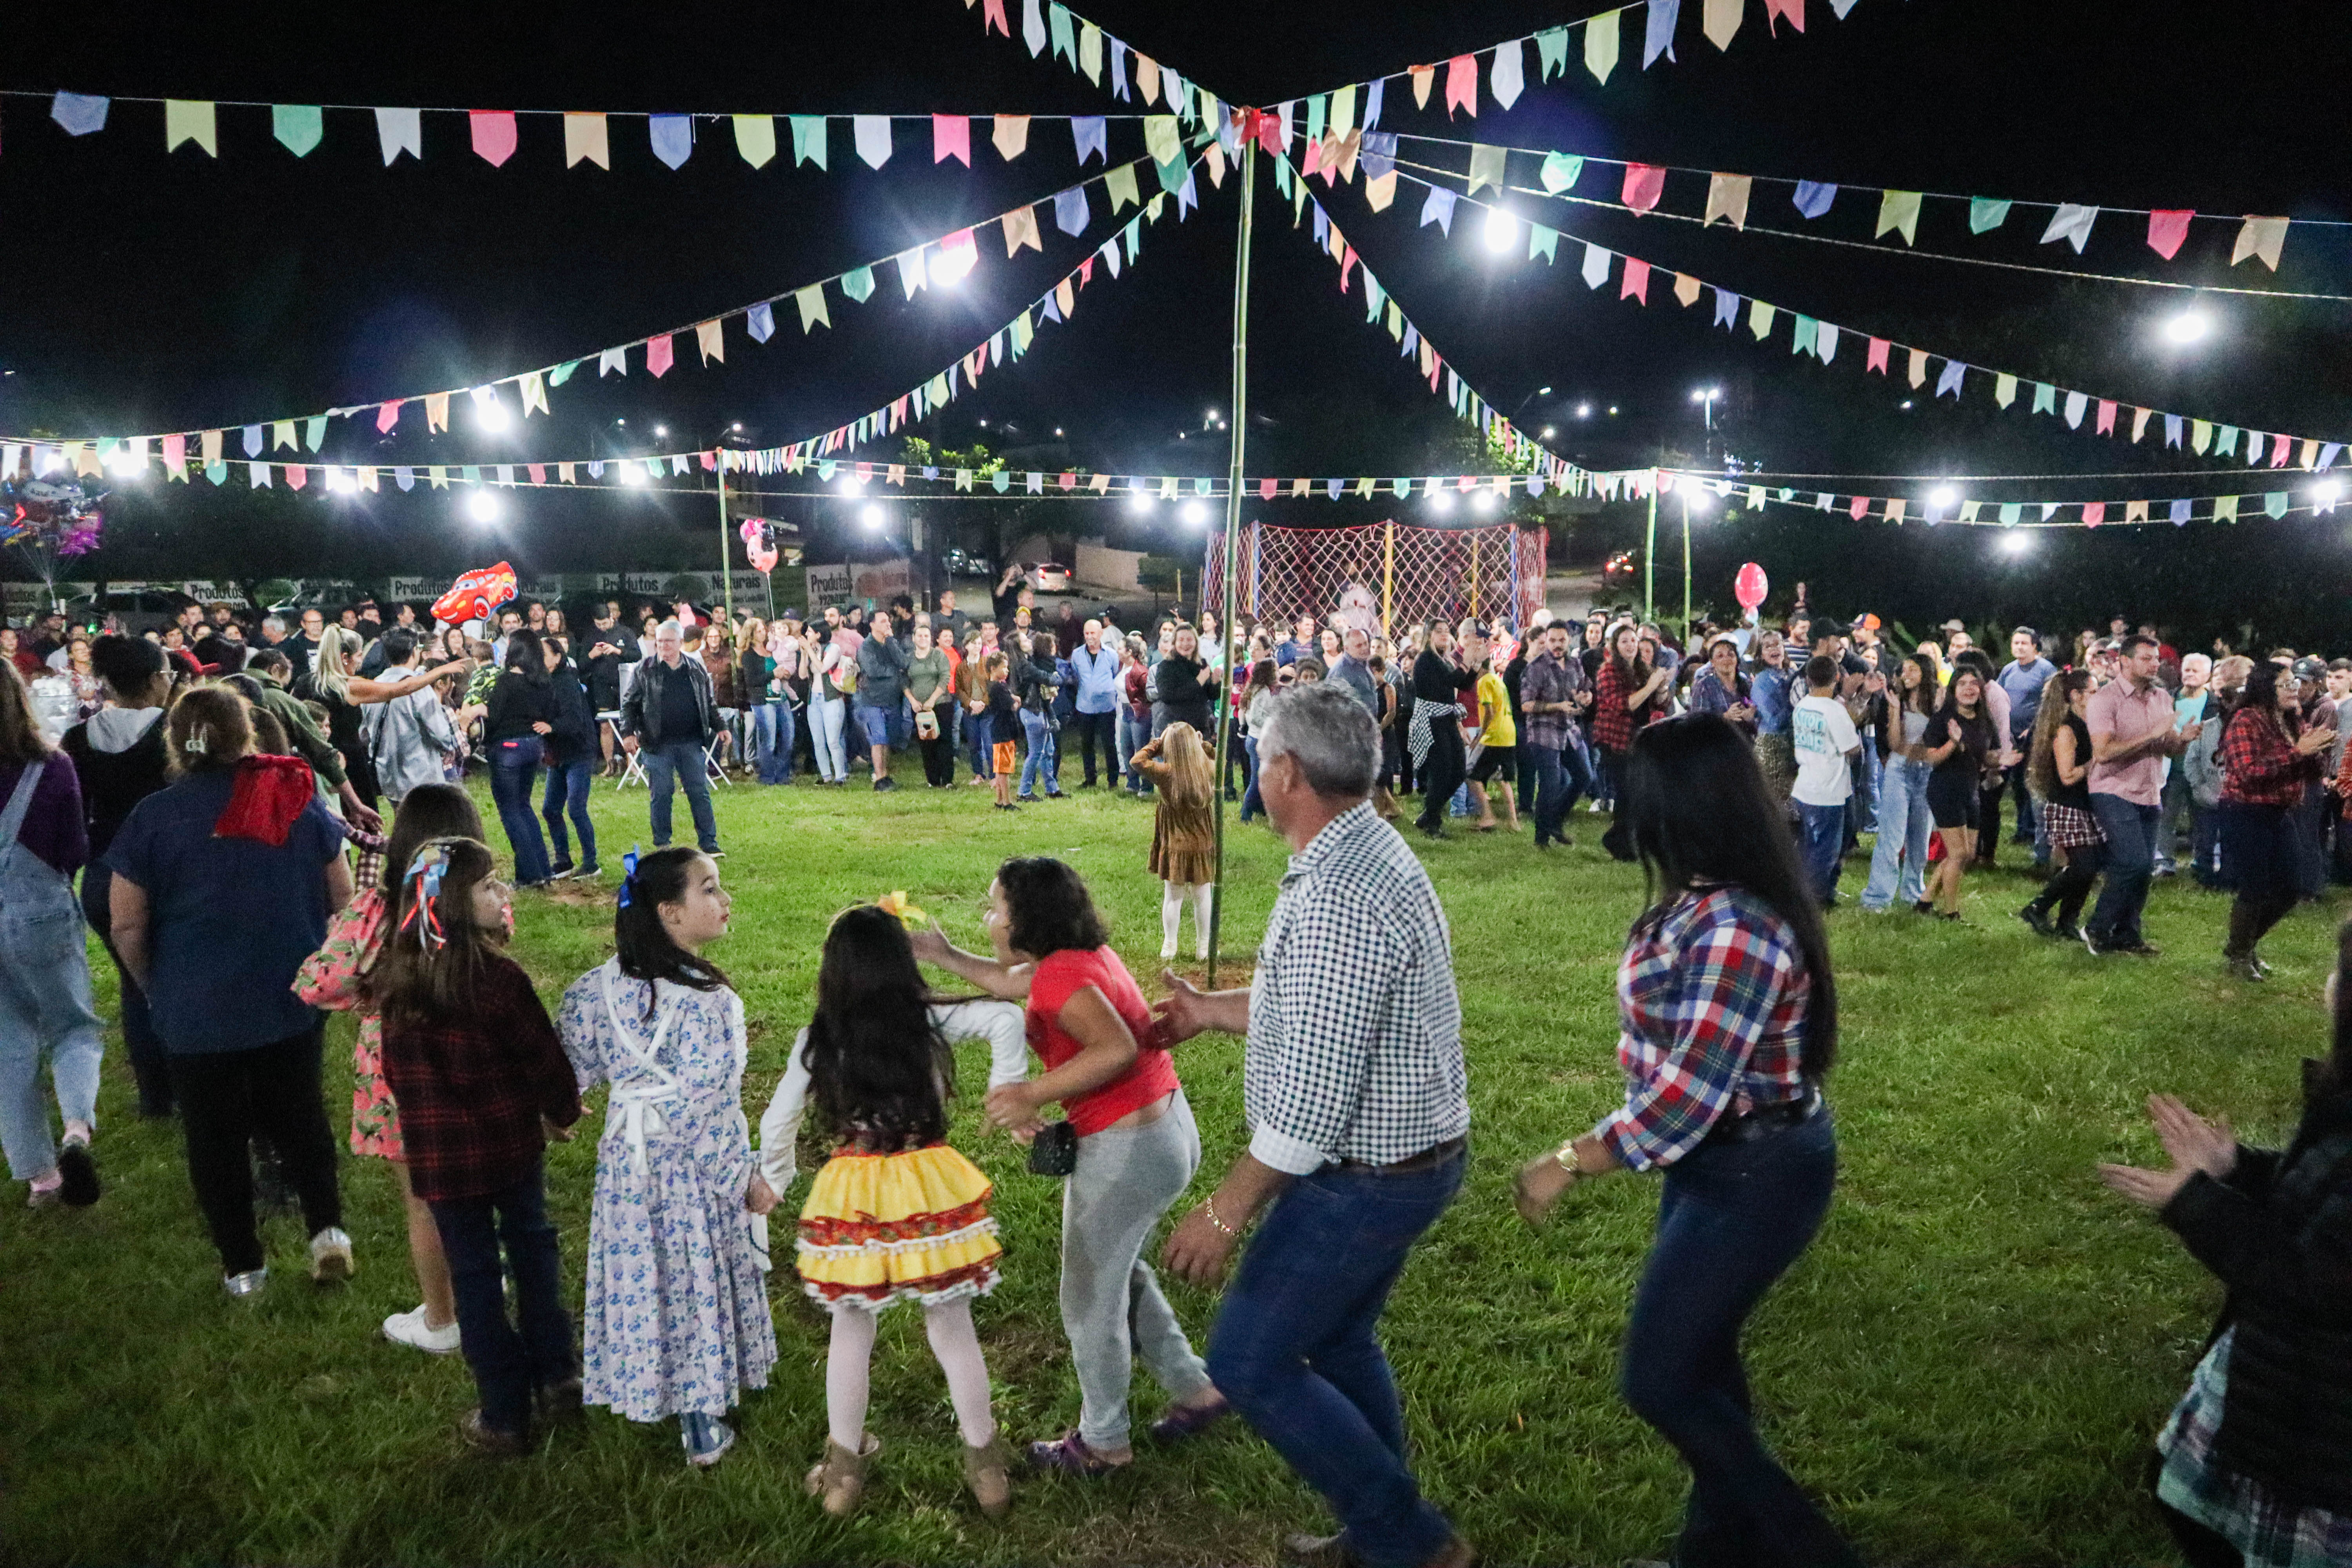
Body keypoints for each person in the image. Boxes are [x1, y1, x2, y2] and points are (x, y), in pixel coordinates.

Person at [1512, 711, 1860, 1568]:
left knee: (1661, 1377)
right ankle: (1717, 1553)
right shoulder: (1711, 895)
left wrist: (1568, 1160)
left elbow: (1689, 1098)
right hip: (1725, 1163)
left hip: (1757, 1167)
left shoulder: (1739, 923)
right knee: (1701, 1362)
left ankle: (1811, 1552)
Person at [1154, 682, 1474, 1568]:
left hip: (1372, 1173)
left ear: (1287, 771)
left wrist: (1223, 1211)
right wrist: (1212, 1010)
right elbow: (1318, 1008)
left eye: (1260, 755)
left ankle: (1412, 1541)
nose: (1256, 771)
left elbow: (1313, 1098)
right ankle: (1385, 1529)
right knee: (1335, 1338)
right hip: (1410, 1156)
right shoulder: (1358, 847)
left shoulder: (1341, 891)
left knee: (1252, 1361)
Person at [912, 858, 1225, 1475]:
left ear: (1027, 919)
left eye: (995, 908)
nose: (989, 918)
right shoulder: (1077, 959)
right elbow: (1008, 983)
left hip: (1129, 1148)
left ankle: (1104, 1443)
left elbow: (1117, 1048)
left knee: (1088, 1299)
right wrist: (941, 954)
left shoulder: (1061, 979)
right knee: (1117, 1275)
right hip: (1164, 1131)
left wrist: (1033, 1093)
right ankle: (1198, 1392)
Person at [2098, 933, 2352, 1568]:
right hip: (2287, 1383)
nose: (2326, 983)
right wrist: (2235, 1169)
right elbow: (2318, 1205)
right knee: (2180, 1496)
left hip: (2319, 1427)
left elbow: (2312, 1283)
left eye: (2338, 970)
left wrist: (2193, 1204)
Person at [762, 904, 1015, 1519]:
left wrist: (773, 1179)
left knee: (851, 1329)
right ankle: (988, 1471)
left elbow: (777, 1121)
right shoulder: (928, 1021)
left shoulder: (817, 1040)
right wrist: (1006, 1088)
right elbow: (1007, 1017)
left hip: (853, 1191)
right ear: (903, 965)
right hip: (927, 1180)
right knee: (953, 1330)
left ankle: (843, 1475)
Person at [105, 687, 354, 1295]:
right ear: (246, 733)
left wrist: (149, 984)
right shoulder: (294, 798)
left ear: (176, 740)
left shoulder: (153, 816)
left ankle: (244, 1266)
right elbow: (344, 897)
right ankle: (327, 1232)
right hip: (288, 993)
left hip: (195, 1006)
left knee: (213, 1138)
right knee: (301, 1116)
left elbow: (126, 922)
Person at [555, 848, 776, 1466]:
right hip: (691, 1172)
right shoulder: (709, 1002)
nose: (725, 900)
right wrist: (743, 1176)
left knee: (644, 1273)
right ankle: (701, 1418)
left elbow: (568, 1068)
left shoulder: (593, 991)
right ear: (671, 914)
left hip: (628, 1168)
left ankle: (645, 1383)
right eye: (711, 889)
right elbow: (708, 1104)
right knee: (693, 1275)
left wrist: (563, 1111)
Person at [375, 837, 583, 1454]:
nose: (503, 893)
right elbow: (543, 1058)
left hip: (441, 1162)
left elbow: (394, 1073)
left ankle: (503, 1413)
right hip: (511, 1149)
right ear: (456, 905)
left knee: (474, 1279)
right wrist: (560, 1111)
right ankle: (559, 1375)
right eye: (490, 885)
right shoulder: (500, 981)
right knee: (533, 1252)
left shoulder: (399, 988)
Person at [294, 784, 485, 1353]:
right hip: (474, 1064)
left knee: (425, 1200)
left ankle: (443, 1319)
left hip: (400, 1075)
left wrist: (367, 995)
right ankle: (480, 1291)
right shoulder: (477, 900)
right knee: (474, 1187)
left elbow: (317, 982)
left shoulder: (375, 910)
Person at [0, 665, 103, 1210]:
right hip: (40, 910)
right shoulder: (52, 765)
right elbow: (75, 850)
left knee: (7, 1045)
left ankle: (40, 1177)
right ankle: (76, 1132)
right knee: (73, 1028)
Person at [62, 635, 176, 1118]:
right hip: (164, 874)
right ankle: (191, 1082)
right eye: (168, 674)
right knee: (176, 978)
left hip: (103, 875)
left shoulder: (76, 740)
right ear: (154, 680)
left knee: (136, 985)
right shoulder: (175, 732)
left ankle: (154, 1096)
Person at [2213, 664, 2331, 981]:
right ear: (2266, 688)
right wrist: (2298, 753)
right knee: (2255, 887)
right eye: (2286, 684)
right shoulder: (2245, 719)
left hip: (2280, 811)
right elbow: (2249, 772)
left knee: (2291, 888)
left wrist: (2316, 754)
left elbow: (2308, 766)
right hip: (2244, 811)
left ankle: (2244, 944)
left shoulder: (2291, 719)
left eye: (2295, 682)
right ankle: (2239, 954)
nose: (2295, 688)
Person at [2087, 634, 2203, 956]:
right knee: (2133, 862)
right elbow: (2104, 752)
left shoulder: (2162, 698)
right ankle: (2097, 928)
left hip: (2150, 791)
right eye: (2146, 659)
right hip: (2112, 789)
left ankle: (2128, 934)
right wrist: (2151, 734)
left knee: (2142, 870)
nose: (2155, 665)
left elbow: (2167, 747)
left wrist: (2184, 740)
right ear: (2124, 661)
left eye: (2157, 660)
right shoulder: (2105, 700)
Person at [620, 621, 722, 857]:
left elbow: (708, 703)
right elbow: (630, 705)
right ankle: (662, 844)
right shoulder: (644, 669)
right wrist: (627, 733)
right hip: (657, 744)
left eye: (668, 641)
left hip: (691, 742)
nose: (663, 645)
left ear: (680, 643)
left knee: (699, 792)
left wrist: (721, 727)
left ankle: (709, 843)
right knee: (662, 794)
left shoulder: (695, 669)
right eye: (660, 641)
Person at [2019, 671, 2105, 942]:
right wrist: (2095, 763)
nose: (2099, 696)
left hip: (2087, 804)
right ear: (2076, 696)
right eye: (2093, 691)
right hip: (2067, 806)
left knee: (2089, 868)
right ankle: (2038, 907)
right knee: (2083, 866)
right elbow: (2067, 775)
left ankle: (2068, 921)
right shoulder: (2067, 729)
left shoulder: (2089, 725)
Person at [1127, 722, 1218, 960]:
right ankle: (1204, 947)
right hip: (1202, 840)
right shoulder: (1207, 769)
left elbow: (1136, 761)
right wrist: (1204, 746)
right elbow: (1223, 758)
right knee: (1203, 895)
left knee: (1173, 895)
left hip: (1175, 841)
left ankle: (1170, 945)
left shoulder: (1165, 773)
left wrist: (1157, 744)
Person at [480, 630, 557, 889]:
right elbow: (549, 713)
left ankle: (531, 875)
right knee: (524, 808)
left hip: (507, 748)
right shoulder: (544, 682)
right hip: (533, 747)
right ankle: (542, 871)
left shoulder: (506, 682)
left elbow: (494, 718)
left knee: (511, 811)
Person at [1921, 666, 1998, 921]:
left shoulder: (1985, 720)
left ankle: (1925, 901)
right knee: (1958, 854)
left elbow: (1986, 757)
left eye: (1973, 683)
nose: (1969, 688)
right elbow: (1932, 759)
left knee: (1967, 854)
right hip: (1945, 789)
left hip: (1971, 790)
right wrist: (1953, 742)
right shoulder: (1943, 720)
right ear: (1954, 690)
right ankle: (1951, 912)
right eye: (1962, 683)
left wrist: (2000, 760)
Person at [1594, 620, 1672, 859]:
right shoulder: (1608, 671)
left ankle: (1623, 840)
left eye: (1634, 641)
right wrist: (1651, 685)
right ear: (1615, 646)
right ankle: (1620, 844)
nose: (1631, 645)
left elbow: (1659, 704)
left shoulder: (1641, 668)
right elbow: (1624, 705)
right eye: (1625, 641)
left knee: (1637, 792)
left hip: (1638, 738)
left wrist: (1662, 687)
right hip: (1614, 739)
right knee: (1626, 792)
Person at [1790, 655, 1861, 907]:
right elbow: (1851, 748)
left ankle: (1814, 891)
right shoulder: (1834, 710)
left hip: (1806, 785)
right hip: (1829, 791)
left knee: (1809, 846)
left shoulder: (1803, 706)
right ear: (1837, 678)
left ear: (1808, 679)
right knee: (1827, 850)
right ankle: (1815, 900)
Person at [1409, 620, 1478, 841]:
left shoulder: (1445, 660)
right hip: (1432, 720)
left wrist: (1475, 665)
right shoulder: (1426, 660)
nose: (1444, 636)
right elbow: (1448, 683)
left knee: (1458, 771)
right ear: (1429, 635)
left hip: (1447, 719)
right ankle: (1433, 822)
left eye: (1447, 632)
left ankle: (1429, 814)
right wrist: (1466, 664)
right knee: (1441, 772)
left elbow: (1463, 685)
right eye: (1439, 632)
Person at [537, 637, 598, 881]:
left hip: (579, 752)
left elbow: (575, 721)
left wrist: (549, 727)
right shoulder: (543, 683)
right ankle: (563, 861)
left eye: (542, 654)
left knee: (575, 808)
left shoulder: (566, 682)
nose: (538, 660)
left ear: (557, 656)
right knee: (551, 809)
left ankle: (591, 862)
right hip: (559, 755)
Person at [1520, 622, 1585, 849]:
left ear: (1570, 641)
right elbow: (1527, 705)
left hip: (1568, 730)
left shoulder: (1576, 664)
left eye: (1562, 640)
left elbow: (1583, 691)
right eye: (1553, 640)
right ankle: (1541, 838)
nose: (1557, 645)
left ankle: (1554, 821)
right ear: (1546, 641)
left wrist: (1585, 699)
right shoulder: (1537, 668)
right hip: (1543, 731)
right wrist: (1556, 706)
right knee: (1550, 784)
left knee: (1584, 776)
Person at [1997, 628, 2058, 855]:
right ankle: (2023, 829)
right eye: (2016, 643)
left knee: (2032, 784)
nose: (2019, 647)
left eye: (2024, 643)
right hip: (2010, 737)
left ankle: (2033, 831)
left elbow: (2050, 703)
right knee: (2017, 786)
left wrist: (2031, 730)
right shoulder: (2008, 670)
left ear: (2035, 646)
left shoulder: (2046, 670)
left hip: (2034, 738)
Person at [1467, 637, 1520, 832]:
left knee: (1473, 776)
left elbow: (1489, 712)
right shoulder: (1498, 681)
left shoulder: (1484, 683)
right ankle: (1513, 820)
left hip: (1495, 736)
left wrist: (1480, 735)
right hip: (1509, 734)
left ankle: (1488, 817)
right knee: (1502, 779)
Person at [854, 610, 911, 793]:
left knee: (887, 740)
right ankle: (879, 778)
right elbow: (873, 670)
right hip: (872, 701)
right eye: (883, 621)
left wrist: (892, 641)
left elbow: (903, 662)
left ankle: (885, 775)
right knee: (878, 740)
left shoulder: (890, 643)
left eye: (888, 621)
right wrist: (895, 673)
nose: (888, 624)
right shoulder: (866, 647)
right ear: (873, 625)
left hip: (892, 701)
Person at [1069, 618, 1122, 788]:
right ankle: (1090, 779)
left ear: (1101, 634)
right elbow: (1076, 676)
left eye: (1093, 633)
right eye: (1087, 633)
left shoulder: (1112, 655)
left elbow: (1115, 673)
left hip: (1107, 706)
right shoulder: (1077, 655)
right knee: (1087, 744)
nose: (1090, 637)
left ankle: (1113, 780)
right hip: (1085, 706)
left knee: (1109, 744)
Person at [903, 622, 956, 789]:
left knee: (944, 741)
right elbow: (903, 681)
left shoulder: (939, 656)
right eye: (919, 636)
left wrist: (933, 700)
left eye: (926, 636)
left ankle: (947, 780)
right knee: (926, 743)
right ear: (913, 639)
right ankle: (932, 780)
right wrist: (912, 701)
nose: (923, 639)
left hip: (941, 704)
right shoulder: (908, 659)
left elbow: (945, 678)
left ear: (931, 639)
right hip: (918, 708)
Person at [1015, 631, 1066, 802]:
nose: (1029, 641)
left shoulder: (1029, 661)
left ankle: (1052, 788)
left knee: (1048, 751)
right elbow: (1048, 679)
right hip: (1033, 711)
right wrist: (1057, 678)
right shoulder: (1026, 665)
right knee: (1036, 753)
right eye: (1025, 640)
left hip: (1039, 711)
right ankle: (1024, 791)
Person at [1156, 623, 1218, 737]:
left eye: (1190, 640)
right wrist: (1198, 682)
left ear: (1196, 642)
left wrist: (1215, 682)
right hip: (1176, 728)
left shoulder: (1201, 664)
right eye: (1181, 640)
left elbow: (1211, 695)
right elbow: (1167, 696)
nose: (1185, 644)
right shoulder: (1167, 666)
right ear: (1174, 643)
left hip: (1200, 727)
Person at [984, 652, 1021, 811]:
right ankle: (1007, 802)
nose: (1007, 671)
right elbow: (1012, 705)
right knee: (1004, 770)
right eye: (1004, 668)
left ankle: (999, 800)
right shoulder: (1000, 687)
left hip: (997, 730)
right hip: (1004, 730)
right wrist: (1017, 700)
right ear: (993, 669)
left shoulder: (991, 686)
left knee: (1000, 768)